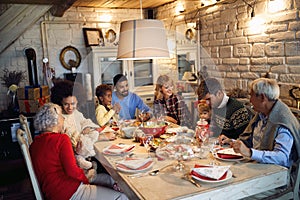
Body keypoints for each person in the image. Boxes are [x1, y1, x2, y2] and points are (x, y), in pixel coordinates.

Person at [30, 103, 128, 200]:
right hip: (67, 192)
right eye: (61, 116)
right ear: (54, 120)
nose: (63, 119)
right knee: (121, 197)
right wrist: (87, 178)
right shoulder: (61, 139)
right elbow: (72, 171)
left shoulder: (35, 144)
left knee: (110, 179)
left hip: (52, 191)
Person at [219, 78, 300, 168]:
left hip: (277, 173)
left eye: (251, 96)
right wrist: (233, 141)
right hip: (258, 164)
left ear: (262, 98)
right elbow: (250, 140)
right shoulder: (261, 115)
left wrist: (249, 152)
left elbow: (282, 158)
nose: (250, 101)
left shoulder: (283, 121)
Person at [51, 80, 115, 171]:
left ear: (78, 102)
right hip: (73, 157)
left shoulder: (75, 112)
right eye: (66, 104)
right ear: (60, 102)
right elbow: (74, 139)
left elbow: (85, 121)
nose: (70, 108)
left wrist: (88, 127)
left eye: (73, 104)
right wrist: (101, 137)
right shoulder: (60, 118)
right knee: (108, 164)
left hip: (83, 151)